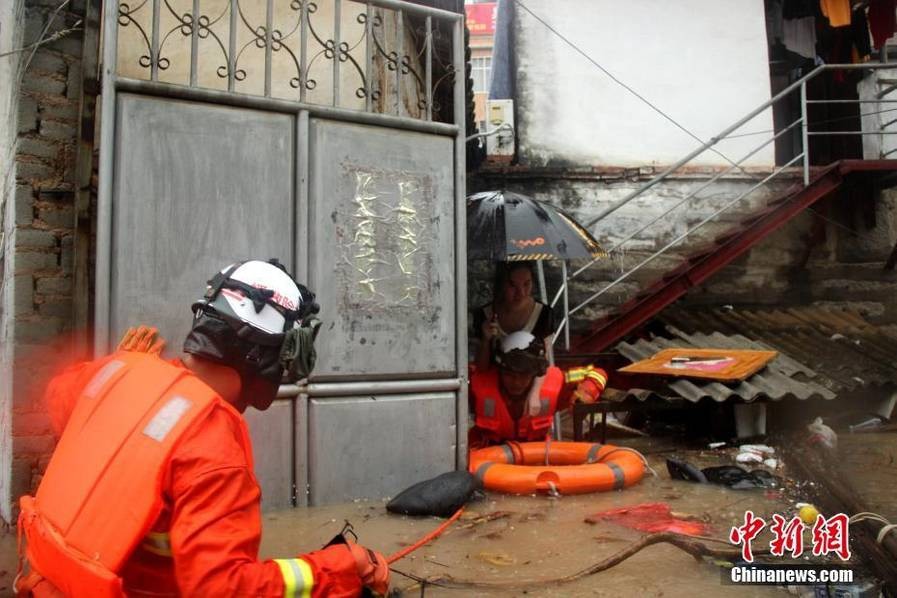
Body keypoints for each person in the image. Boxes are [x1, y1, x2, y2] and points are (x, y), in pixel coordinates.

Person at [16, 259, 389, 597]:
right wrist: (343, 566)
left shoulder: (114, 373)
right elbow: (223, 589)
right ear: (261, 357)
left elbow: (57, 396)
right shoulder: (212, 446)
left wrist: (123, 363)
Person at [468, 331, 609, 448]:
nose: (516, 382)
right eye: (509, 375)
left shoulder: (556, 381)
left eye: (523, 376)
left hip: (537, 459)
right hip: (488, 458)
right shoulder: (475, 381)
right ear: (499, 371)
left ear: (535, 373)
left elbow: (598, 373)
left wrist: (586, 393)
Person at [473, 262, 555, 371]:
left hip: (532, 383)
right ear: (501, 285)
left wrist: (533, 389)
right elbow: (480, 368)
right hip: (493, 383)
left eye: (526, 284)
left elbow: (546, 365)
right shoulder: (484, 315)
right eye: (512, 285)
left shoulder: (544, 314)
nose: (520, 293)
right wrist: (486, 340)